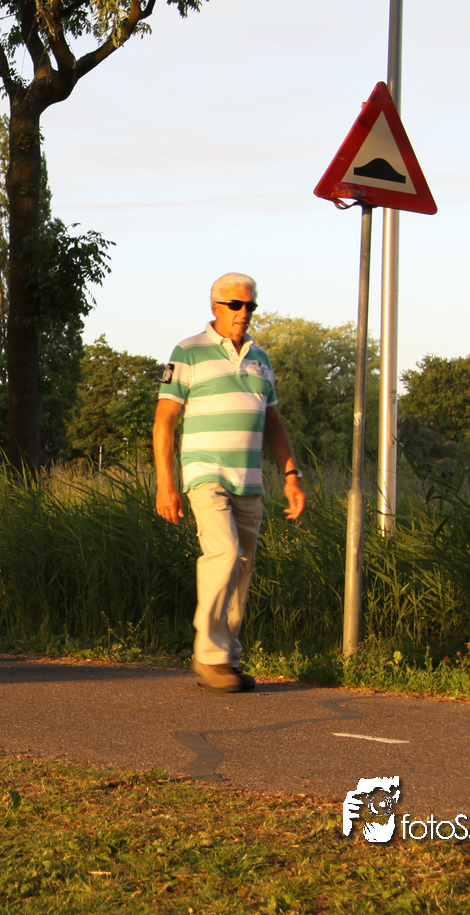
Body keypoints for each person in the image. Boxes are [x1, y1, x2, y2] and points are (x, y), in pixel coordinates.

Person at [152, 273, 306, 692]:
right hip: (205, 473)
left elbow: (273, 422)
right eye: (235, 305)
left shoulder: (261, 358)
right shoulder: (188, 351)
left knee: (241, 568)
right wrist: (166, 484)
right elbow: (165, 420)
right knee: (224, 553)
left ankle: (227, 660)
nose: (244, 313)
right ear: (215, 306)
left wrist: (291, 475)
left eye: (250, 305)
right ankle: (209, 655)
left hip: (249, 479)